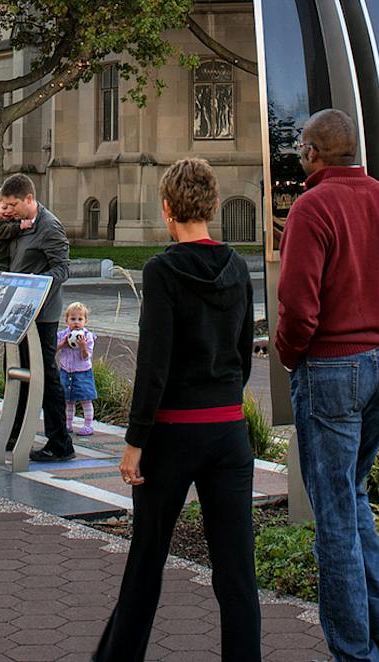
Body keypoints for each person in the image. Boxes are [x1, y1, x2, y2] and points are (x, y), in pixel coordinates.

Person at [272, 110, 379, 662]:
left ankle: (354, 651)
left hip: (332, 369)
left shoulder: (312, 207)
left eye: (303, 151)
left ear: (312, 155)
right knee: (351, 494)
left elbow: (298, 307)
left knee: (333, 515)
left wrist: (290, 354)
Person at [95, 159, 260, 662]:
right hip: (228, 432)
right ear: (212, 207)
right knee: (236, 573)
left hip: (171, 436)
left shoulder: (162, 271)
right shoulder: (237, 267)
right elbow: (243, 348)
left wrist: (134, 441)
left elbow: (154, 365)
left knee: (146, 559)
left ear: (167, 210)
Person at [0, 174, 74, 462]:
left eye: (13, 204)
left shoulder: (50, 227)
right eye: (6, 204)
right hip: (17, 313)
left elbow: (62, 270)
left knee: (45, 377)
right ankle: (13, 433)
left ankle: (60, 442)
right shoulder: (18, 224)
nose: (9, 210)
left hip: (41, 315)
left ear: (29, 199)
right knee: (15, 372)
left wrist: (33, 285)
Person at [56, 302, 98, 437]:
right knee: (68, 400)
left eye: (80, 319)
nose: (76, 322)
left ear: (85, 321)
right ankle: (68, 424)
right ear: (66, 320)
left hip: (82, 373)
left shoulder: (88, 336)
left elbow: (86, 357)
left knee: (85, 399)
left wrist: (83, 346)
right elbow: (54, 349)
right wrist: (63, 344)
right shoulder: (62, 335)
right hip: (66, 371)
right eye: (73, 319)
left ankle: (88, 424)